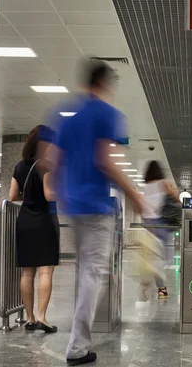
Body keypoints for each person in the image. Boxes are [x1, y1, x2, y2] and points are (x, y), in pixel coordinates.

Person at [40, 60, 145, 366]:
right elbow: (105, 162)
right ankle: (77, 347)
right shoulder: (107, 113)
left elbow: (51, 160)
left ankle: (79, 342)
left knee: (85, 269)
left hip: (72, 205)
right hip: (97, 206)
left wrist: (61, 191)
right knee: (92, 274)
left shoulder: (63, 113)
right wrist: (135, 194)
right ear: (104, 84)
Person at [9, 125, 59, 334]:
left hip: (25, 221)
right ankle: (42, 317)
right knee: (45, 270)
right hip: (44, 221)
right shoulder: (46, 166)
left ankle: (29, 318)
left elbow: (12, 196)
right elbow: (49, 195)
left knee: (27, 272)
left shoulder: (20, 166)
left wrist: (29, 198)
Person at [142, 160, 181, 299]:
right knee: (165, 258)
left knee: (153, 256)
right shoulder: (163, 183)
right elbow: (176, 199)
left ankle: (150, 282)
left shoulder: (146, 186)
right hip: (161, 223)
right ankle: (160, 287)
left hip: (147, 223)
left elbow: (144, 207)